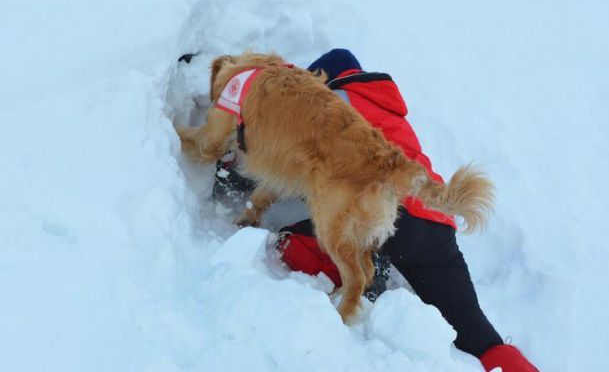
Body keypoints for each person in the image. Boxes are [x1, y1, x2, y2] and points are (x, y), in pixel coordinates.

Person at [209, 49, 538, 372]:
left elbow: (274, 158)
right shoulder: (388, 105)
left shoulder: (328, 107)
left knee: (287, 245)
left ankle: (371, 267)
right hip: (433, 223)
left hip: (375, 208)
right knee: (478, 334)